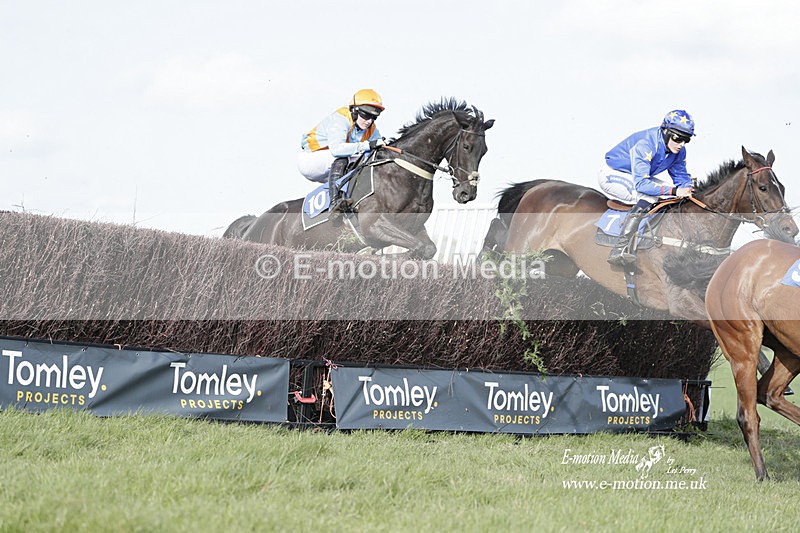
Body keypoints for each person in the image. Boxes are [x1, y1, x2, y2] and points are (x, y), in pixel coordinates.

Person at [599, 109, 696, 266]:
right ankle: (619, 249)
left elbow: (681, 177)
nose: (681, 144)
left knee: (671, 196)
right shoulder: (645, 144)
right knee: (649, 196)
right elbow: (641, 185)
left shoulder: (679, 151)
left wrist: (689, 189)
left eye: (686, 140)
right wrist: (675, 191)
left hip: (636, 175)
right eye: (678, 138)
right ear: (665, 132)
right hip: (613, 174)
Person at [298, 89, 387, 216]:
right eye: (366, 115)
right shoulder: (341, 119)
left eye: (374, 117)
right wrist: (367, 145)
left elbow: (379, 147)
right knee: (344, 158)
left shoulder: (371, 128)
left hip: (332, 166)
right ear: (355, 111)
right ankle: (334, 204)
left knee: (363, 162)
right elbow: (337, 149)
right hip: (311, 159)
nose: (369, 121)